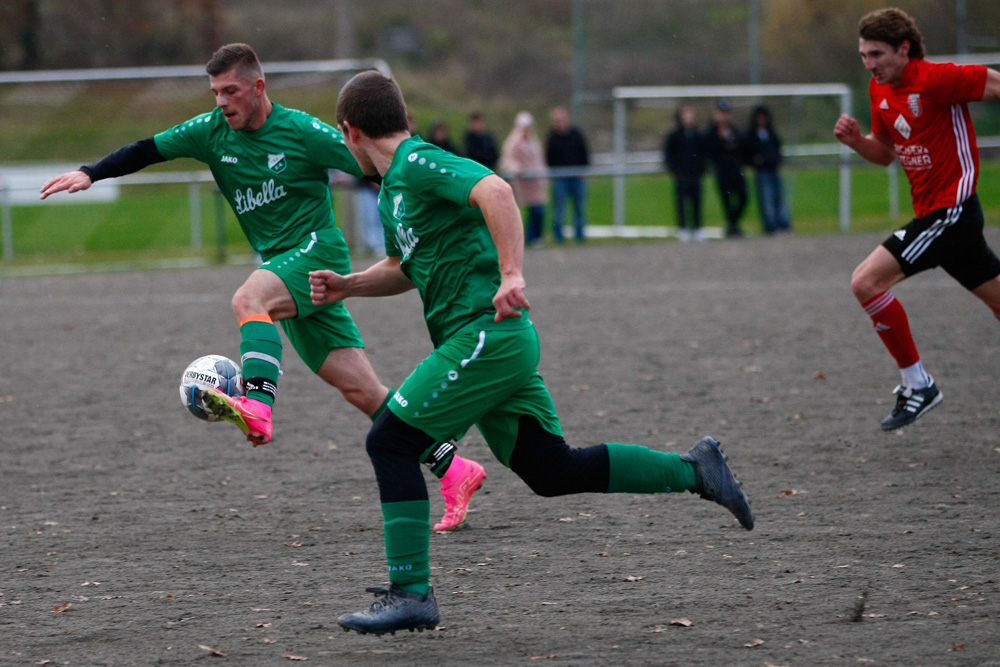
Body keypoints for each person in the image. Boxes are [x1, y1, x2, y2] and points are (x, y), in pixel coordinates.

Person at [309, 69, 754, 636]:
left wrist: (512, 272)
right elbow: (402, 268)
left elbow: (495, 190)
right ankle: (697, 471)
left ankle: (411, 593)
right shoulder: (397, 187)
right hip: (486, 344)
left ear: (350, 131)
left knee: (391, 439)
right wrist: (349, 284)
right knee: (549, 469)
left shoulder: (417, 163)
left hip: (487, 335)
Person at [38, 43, 485, 532]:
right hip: (285, 270)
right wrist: (90, 172)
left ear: (258, 87)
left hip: (317, 254)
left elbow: (377, 160)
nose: (221, 101)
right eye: (215, 92)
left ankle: (257, 401)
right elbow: (146, 149)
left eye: (230, 90)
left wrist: (437, 197)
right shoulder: (209, 132)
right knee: (362, 389)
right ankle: (454, 468)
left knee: (248, 299)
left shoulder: (302, 131)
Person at [834, 8, 1000, 430]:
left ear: (903, 49)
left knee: (865, 281)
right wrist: (857, 142)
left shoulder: (937, 78)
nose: (869, 64)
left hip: (953, 213)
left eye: (876, 54)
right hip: (936, 217)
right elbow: (886, 153)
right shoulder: (879, 89)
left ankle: (918, 384)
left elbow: (997, 84)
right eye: (863, 56)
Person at [500, 111, 548, 245]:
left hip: (536, 181)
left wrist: (541, 171)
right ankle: (526, 239)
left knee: (538, 210)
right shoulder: (513, 141)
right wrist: (518, 169)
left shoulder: (534, 140)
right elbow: (508, 159)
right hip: (522, 182)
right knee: (520, 212)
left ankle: (537, 237)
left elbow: (539, 159)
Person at [545, 106, 590, 243]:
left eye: (561, 120)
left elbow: (585, 153)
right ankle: (558, 237)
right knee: (559, 210)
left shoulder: (576, 134)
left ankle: (580, 237)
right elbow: (548, 157)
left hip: (577, 176)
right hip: (560, 178)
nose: (560, 123)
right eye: (556, 121)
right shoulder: (552, 137)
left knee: (579, 209)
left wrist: (583, 171)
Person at [744, 105, 791, 234]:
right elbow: (747, 152)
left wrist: (777, 159)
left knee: (779, 197)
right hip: (762, 171)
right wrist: (755, 160)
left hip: (774, 169)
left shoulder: (771, 133)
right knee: (767, 198)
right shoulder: (752, 135)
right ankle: (771, 225)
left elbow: (777, 148)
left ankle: (784, 224)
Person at [704, 99, 748, 238]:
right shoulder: (711, 131)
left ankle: (733, 224)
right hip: (722, 170)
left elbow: (741, 146)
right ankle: (733, 227)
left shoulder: (733, 130)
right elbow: (709, 149)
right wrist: (721, 140)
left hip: (736, 169)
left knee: (743, 196)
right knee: (727, 200)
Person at [663, 105, 708, 242]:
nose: (688, 119)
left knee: (697, 202)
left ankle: (698, 228)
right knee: (681, 202)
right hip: (682, 174)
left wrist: (701, 168)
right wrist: (674, 168)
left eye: (690, 116)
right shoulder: (674, 136)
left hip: (695, 174)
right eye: (685, 116)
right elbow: (668, 154)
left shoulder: (698, 135)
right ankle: (683, 228)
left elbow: (703, 153)